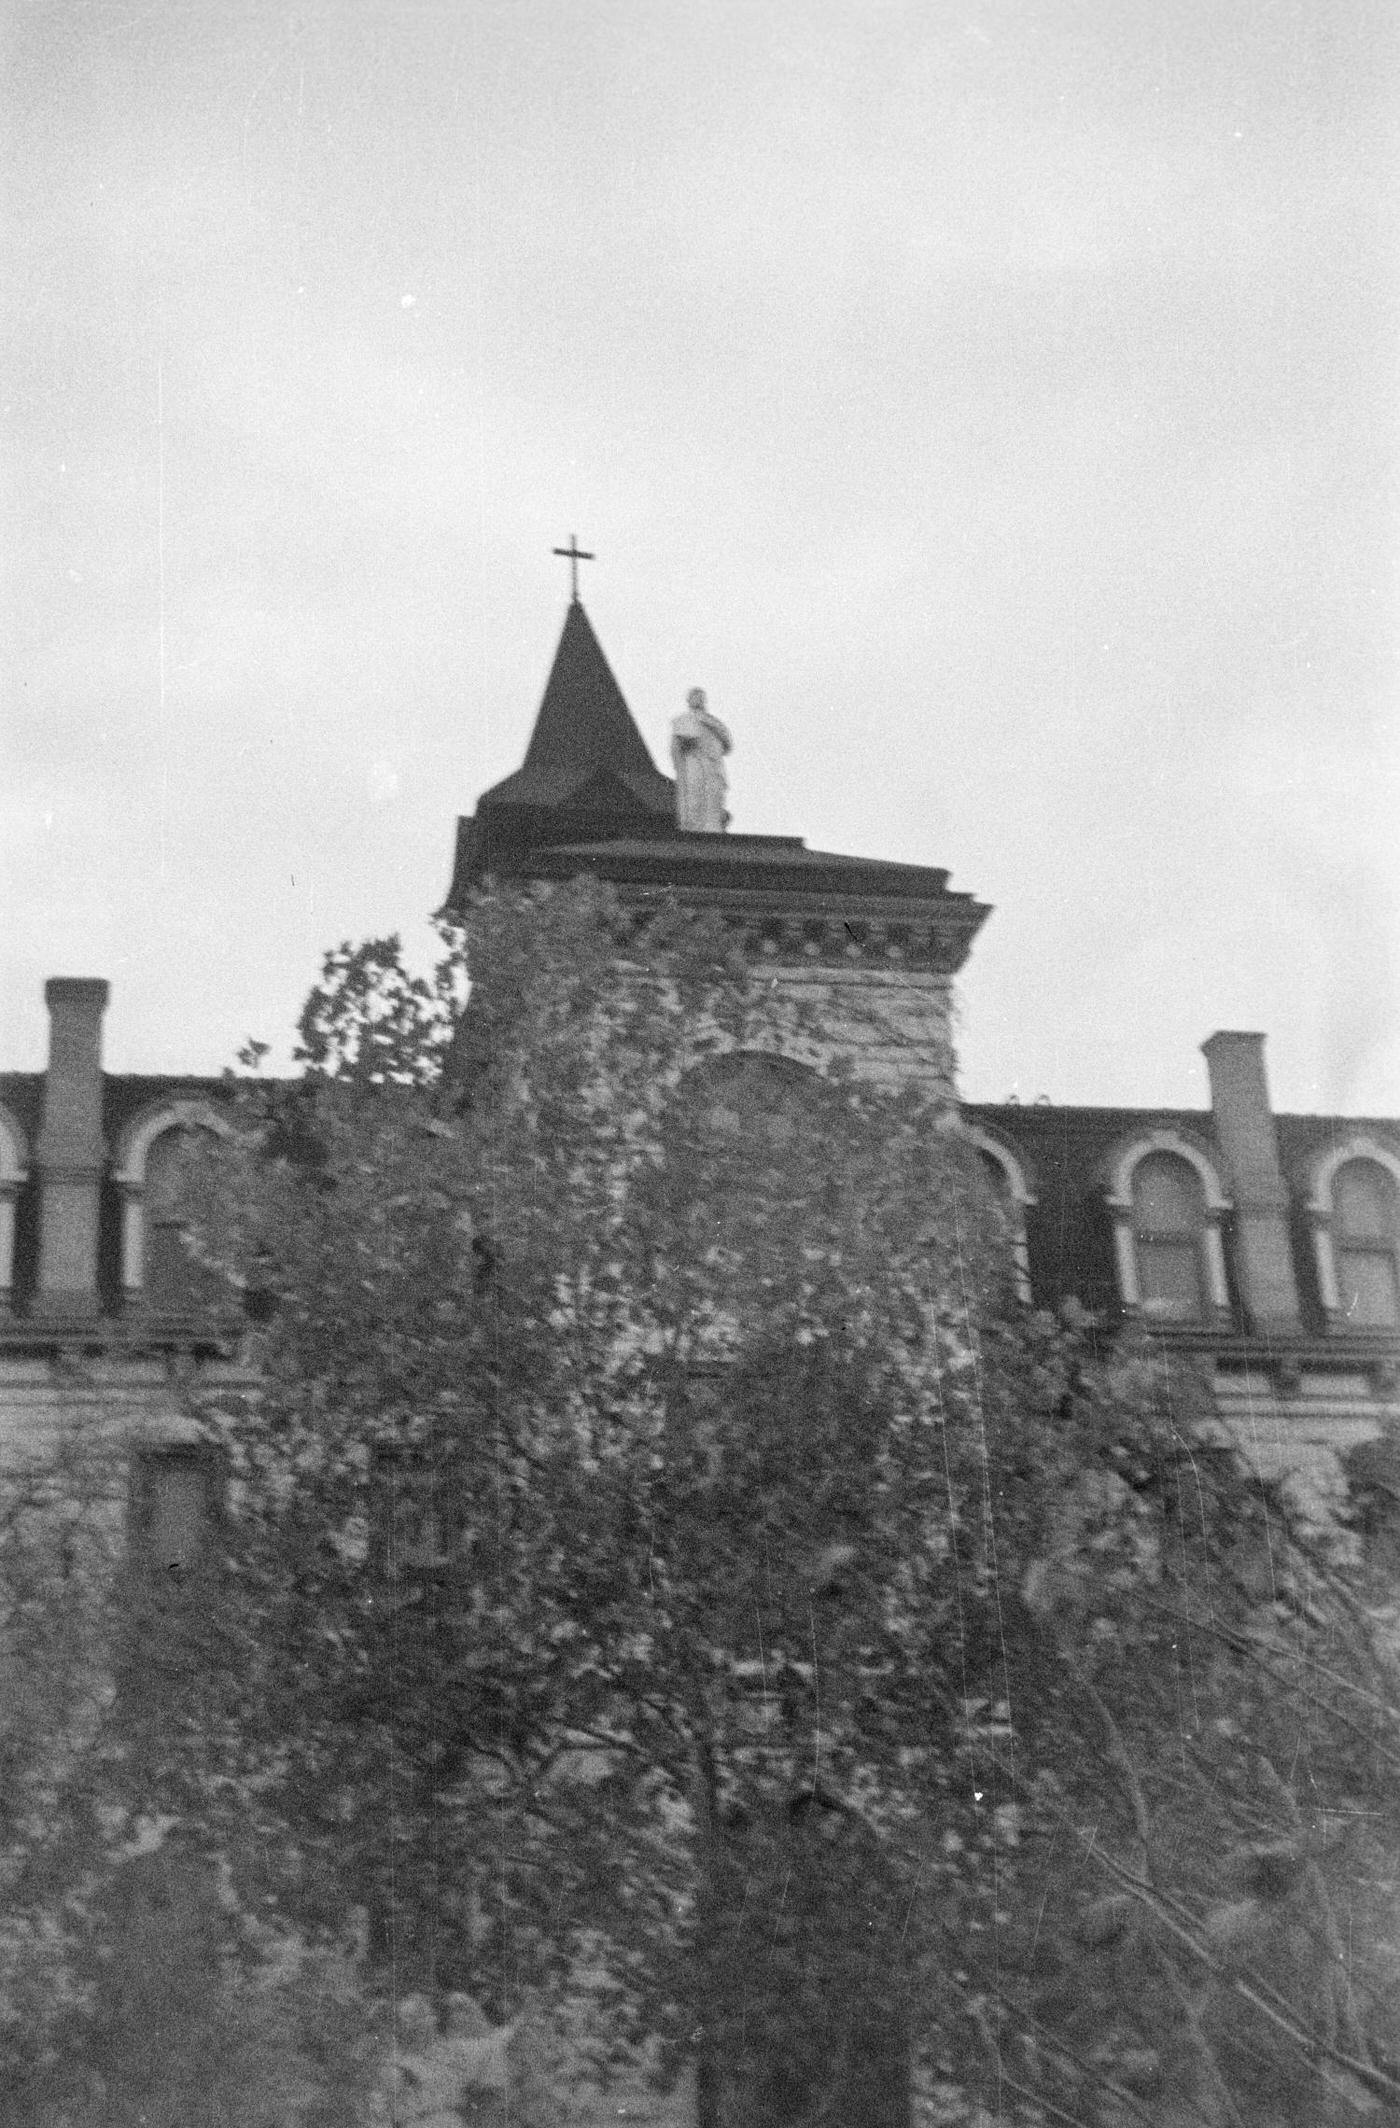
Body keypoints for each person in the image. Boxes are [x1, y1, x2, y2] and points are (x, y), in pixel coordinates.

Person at [670, 687, 731, 832]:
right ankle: (694, 829)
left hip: (712, 767)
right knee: (694, 798)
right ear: (689, 701)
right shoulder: (685, 719)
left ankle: (712, 829)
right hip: (694, 764)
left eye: (701, 697)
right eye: (695, 697)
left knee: (712, 799)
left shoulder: (714, 722)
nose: (698, 700)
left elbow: (727, 744)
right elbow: (679, 744)